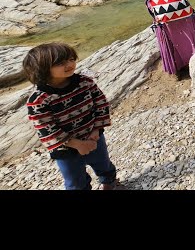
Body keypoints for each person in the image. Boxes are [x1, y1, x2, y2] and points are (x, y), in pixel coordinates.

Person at [23, 42, 122, 190]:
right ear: (42, 68)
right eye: (61, 63)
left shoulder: (85, 82)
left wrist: (96, 130)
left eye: (71, 59)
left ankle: (109, 182)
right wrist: (78, 145)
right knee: (74, 180)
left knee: (103, 164)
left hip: (93, 136)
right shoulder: (39, 100)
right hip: (65, 149)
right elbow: (47, 130)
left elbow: (101, 103)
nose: (69, 64)